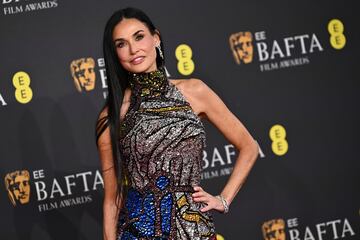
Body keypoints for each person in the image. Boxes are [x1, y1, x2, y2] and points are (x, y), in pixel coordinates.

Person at [95, 7, 259, 240]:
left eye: (139, 36)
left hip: (194, 231)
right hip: (138, 233)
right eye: (121, 44)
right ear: (115, 54)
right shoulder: (112, 115)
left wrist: (223, 199)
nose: (133, 49)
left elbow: (249, 146)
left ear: (156, 38)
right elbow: (112, 199)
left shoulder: (195, 91)